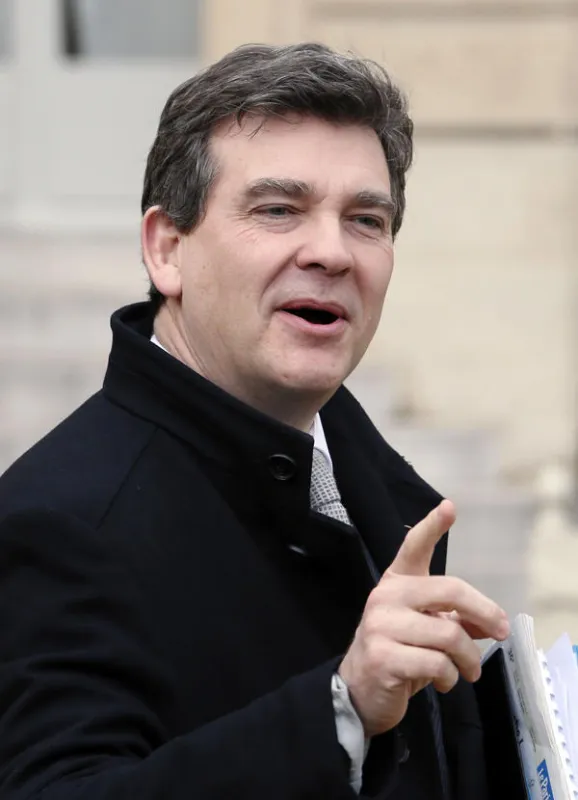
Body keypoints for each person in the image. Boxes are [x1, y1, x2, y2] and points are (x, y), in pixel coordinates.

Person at [0, 42, 509, 799]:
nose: (332, 252)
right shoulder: (61, 519)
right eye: (278, 209)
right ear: (166, 249)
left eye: (366, 219)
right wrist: (340, 708)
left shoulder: (362, 470)